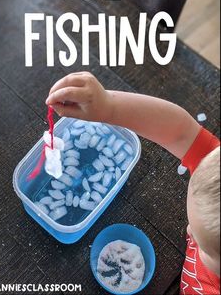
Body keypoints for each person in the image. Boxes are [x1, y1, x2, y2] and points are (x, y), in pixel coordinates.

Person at [46, 71, 220, 295]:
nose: (189, 232)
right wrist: (109, 107)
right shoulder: (215, 168)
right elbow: (181, 132)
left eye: (205, 248)